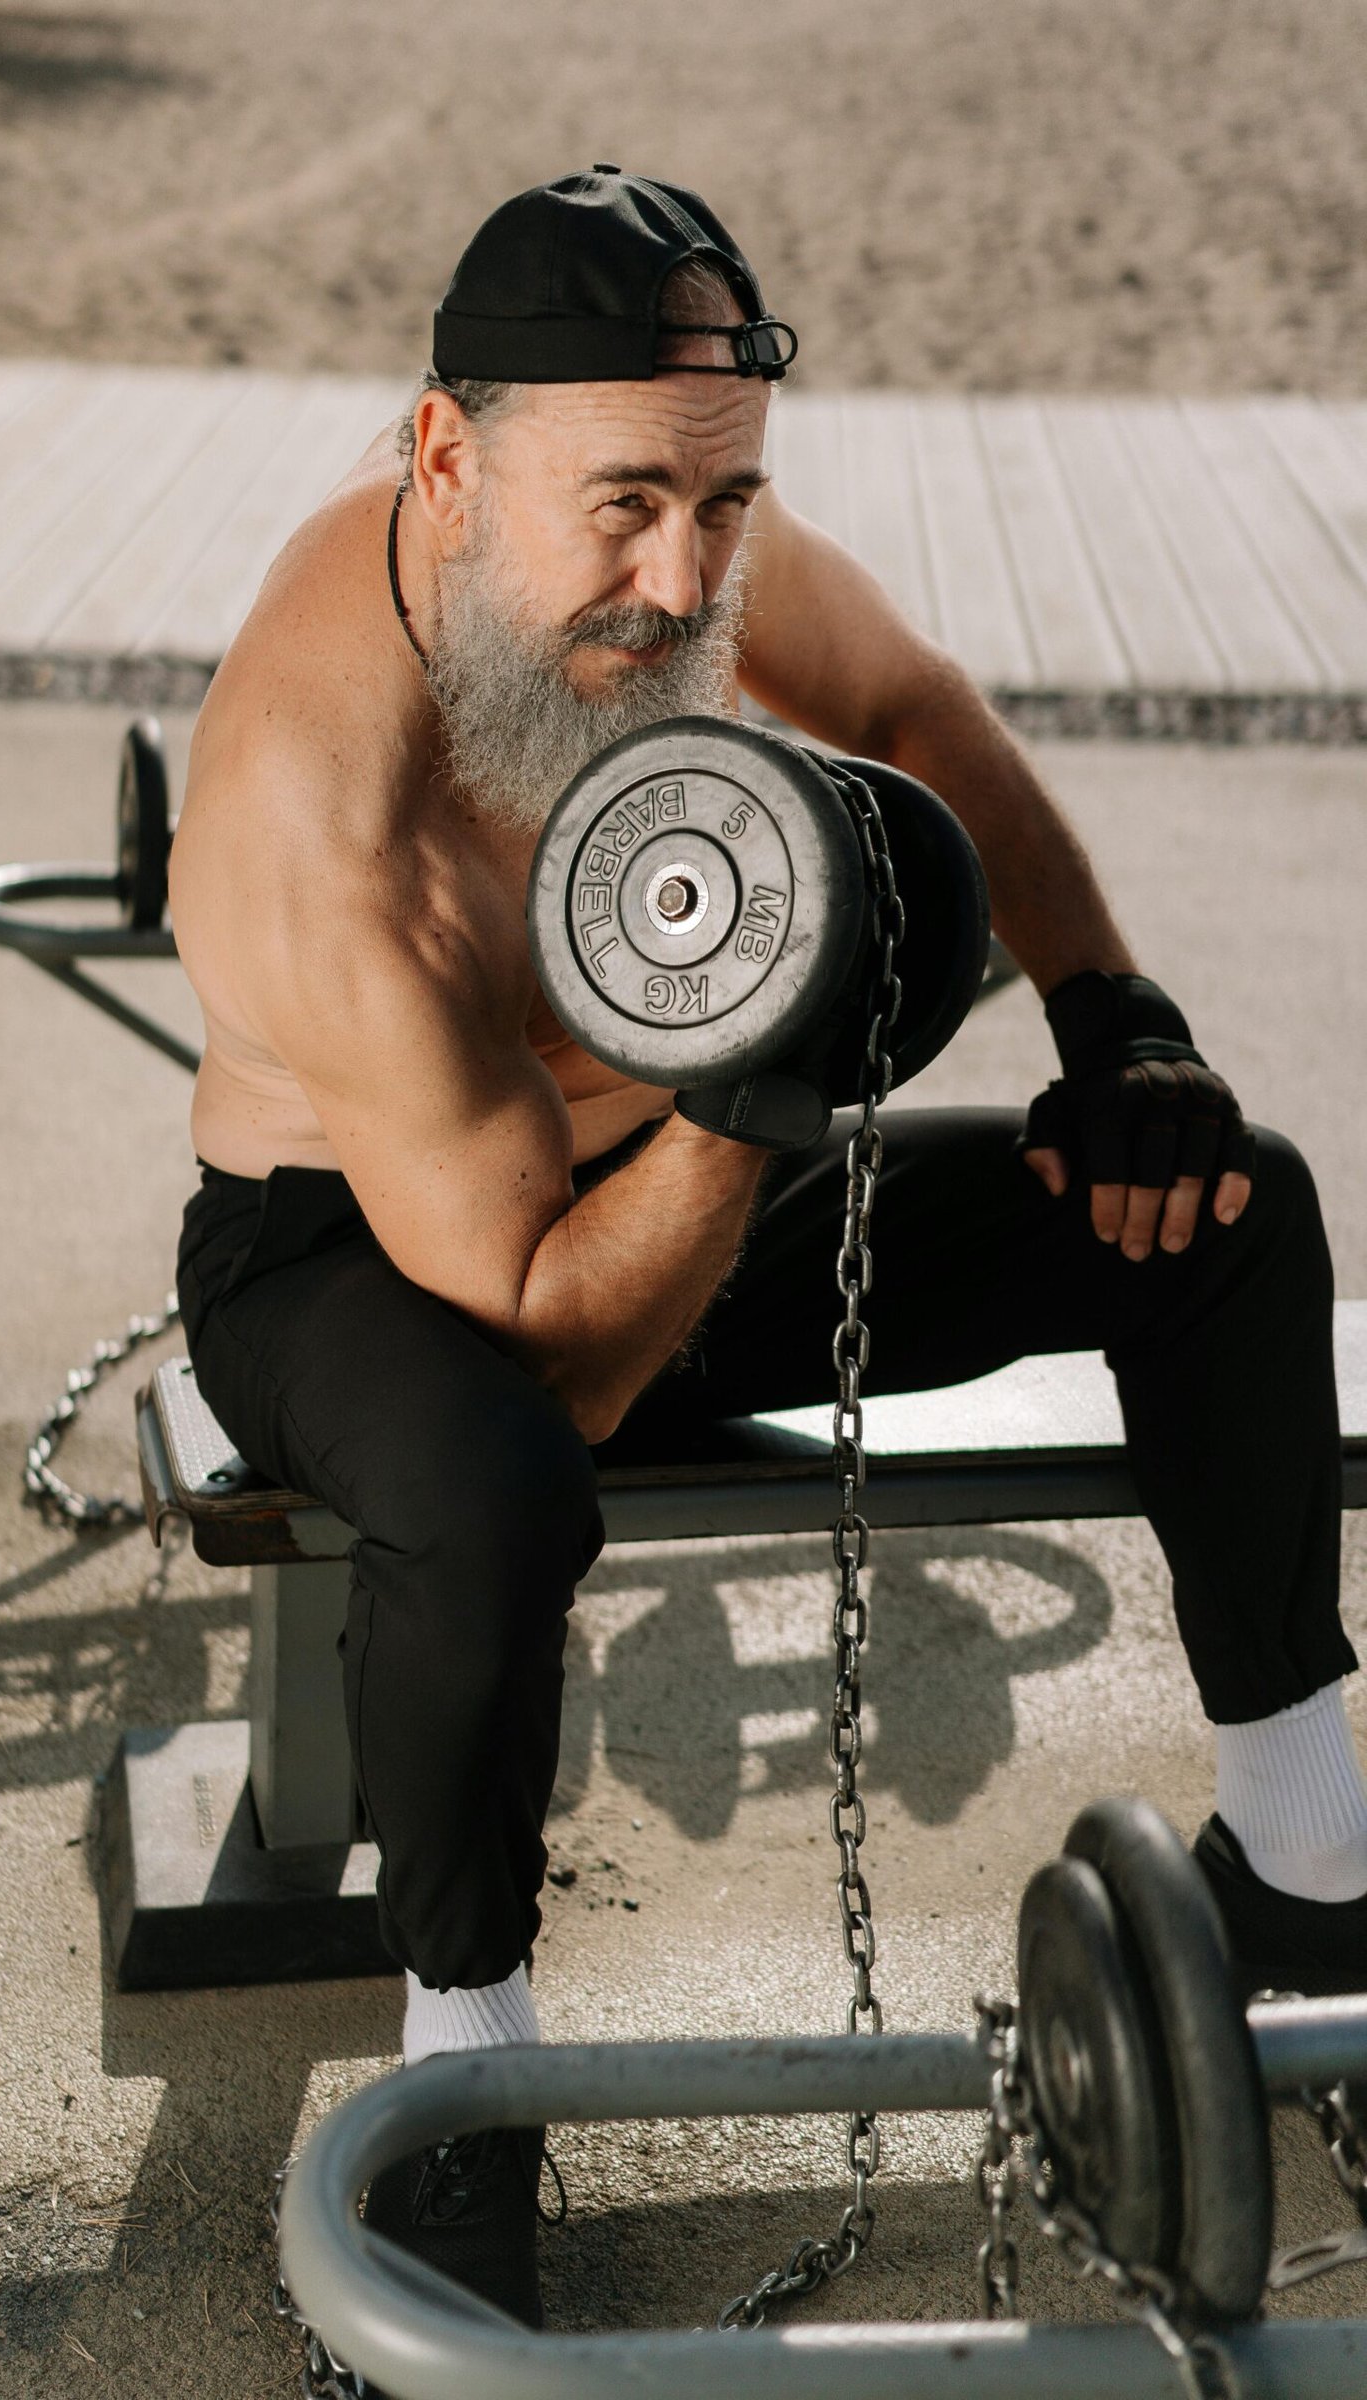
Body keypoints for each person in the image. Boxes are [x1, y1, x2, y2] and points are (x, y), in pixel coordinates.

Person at [169, 167, 1365, 2327]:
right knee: (486, 1483)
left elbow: (905, 711)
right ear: (449, 461)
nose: (677, 572)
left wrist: (1114, 1018)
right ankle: (465, 2068)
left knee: (1226, 1215)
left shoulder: (668, 505)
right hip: (371, 1264)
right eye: (624, 507)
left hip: (693, 1151)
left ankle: (1302, 1866)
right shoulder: (315, 812)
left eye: (720, 510)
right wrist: (756, 1090)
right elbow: (555, 1348)